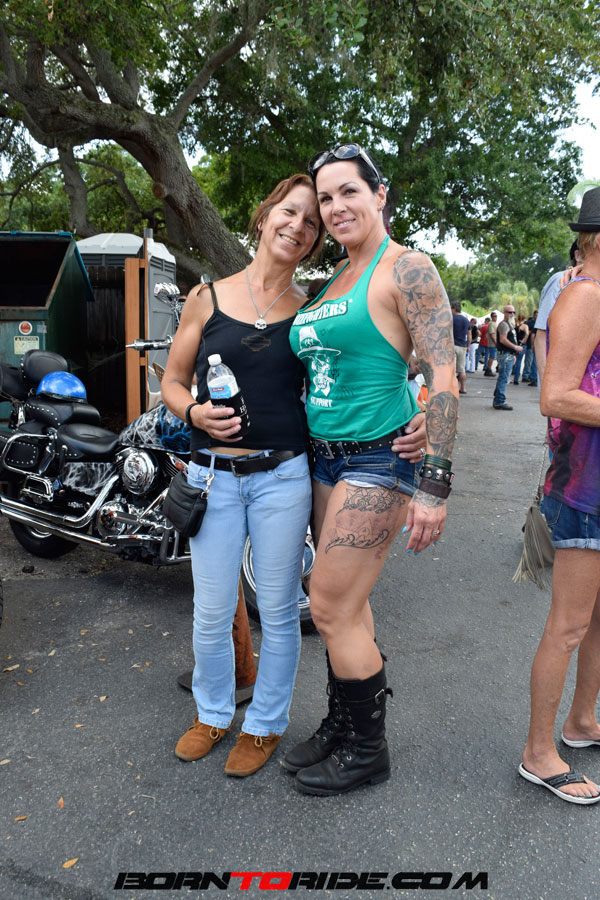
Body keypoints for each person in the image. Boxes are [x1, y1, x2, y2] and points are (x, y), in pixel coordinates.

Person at [284, 143, 458, 796]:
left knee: (327, 603)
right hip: (323, 458)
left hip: (380, 457)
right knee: (348, 606)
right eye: (326, 197)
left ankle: (368, 750)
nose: (335, 207)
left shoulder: (406, 267)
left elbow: (443, 371)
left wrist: (435, 484)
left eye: (349, 192)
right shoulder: (332, 279)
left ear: (379, 195)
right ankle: (343, 725)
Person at [161, 174, 325, 777]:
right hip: (213, 479)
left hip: (283, 478)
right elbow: (172, 380)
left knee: (278, 611)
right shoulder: (206, 298)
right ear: (264, 216)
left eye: (311, 223)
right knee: (211, 609)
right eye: (289, 212)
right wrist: (193, 413)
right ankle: (211, 714)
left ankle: (265, 725)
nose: (298, 226)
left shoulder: (312, 311)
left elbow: (343, 384)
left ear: (315, 241)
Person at [520, 185, 600, 804]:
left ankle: (581, 722)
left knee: (596, 621)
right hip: (583, 489)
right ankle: (538, 753)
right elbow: (555, 395)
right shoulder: (586, 295)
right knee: (569, 625)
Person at [534, 240, 581, 388]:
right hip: (561, 382)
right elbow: (542, 334)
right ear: (578, 256)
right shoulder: (561, 281)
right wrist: (547, 385)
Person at [491, 304, 522, 410]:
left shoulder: (508, 324)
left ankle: (498, 399)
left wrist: (513, 353)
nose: (512, 314)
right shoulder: (504, 324)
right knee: (504, 378)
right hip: (505, 355)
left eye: (513, 312)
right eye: (509, 312)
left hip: (507, 355)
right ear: (504, 313)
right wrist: (515, 347)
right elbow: (503, 339)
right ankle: (499, 401)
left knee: (503, 377)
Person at [451, 301, 470, 392]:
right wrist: (468, 346)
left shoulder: (451, 319)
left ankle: (453, 389)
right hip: (463, 346)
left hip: (452, 345)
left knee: (453, 369)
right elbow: (469, 335)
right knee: (462, 369)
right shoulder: (466, 320)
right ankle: (463, 388)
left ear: (454, 309)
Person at [521, 309, 538, 386]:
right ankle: (526, 376)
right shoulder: (530, 323)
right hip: (529, 345)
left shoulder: (537, 323)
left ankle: (530, 376)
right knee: (529, 361)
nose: (537, 316)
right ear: (534, 315)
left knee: (531, 361)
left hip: (533, 345)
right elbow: (530, 334)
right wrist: (531, 345)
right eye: (536, 315)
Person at [511, 314, 529, 384]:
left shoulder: (515, 325)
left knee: (513, 361)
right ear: (524, 319)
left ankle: (513, 375)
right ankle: (516, 379)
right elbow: (527, 334)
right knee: (519, 361)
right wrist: (524, 340)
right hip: (522, 345)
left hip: (515, 345)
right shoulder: (525, 326)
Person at [484, 311, 498, 375]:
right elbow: (492, 334)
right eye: (494, 316)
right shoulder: (491, 323)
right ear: (491, 317)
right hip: (492, 343)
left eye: (496, 316)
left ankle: (488, 369)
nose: (495, 317)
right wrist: (496, 343)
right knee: (492, 357)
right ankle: (488, 369)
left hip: (493, 343)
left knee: (492, 356)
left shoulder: (495, 323)